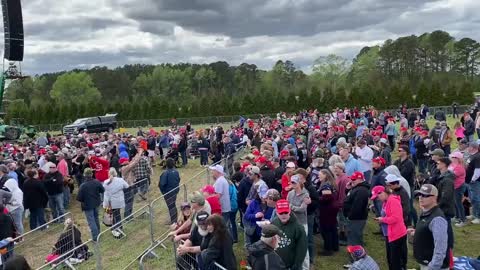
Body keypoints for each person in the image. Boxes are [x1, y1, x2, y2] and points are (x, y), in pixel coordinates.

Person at [411, 184, 450, 270]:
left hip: (432, 266)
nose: (421, 197)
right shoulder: (426, 211)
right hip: (425, 262)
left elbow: (440, 248)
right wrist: (416, 232)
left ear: (435, 198)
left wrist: (433, 267)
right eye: (420, 194)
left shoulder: (437, 219)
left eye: (425, 195)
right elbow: (428, 230)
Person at [371, 186, 408, 270]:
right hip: (390, 234)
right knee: (391, 259)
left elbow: (396, 218)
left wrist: (383, 220)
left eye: (378, 196)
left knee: (396, 261)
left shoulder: (393, 201)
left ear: (383, 192)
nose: (378, 199)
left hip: (397, 234)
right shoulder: (386, 201)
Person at [271, 199, 307, 270]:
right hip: (276, 263)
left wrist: (296, 266)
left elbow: (302, 249)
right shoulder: (274, 223)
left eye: (286, 212)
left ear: (289, 211)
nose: (283, 215)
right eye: (281, 213)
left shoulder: (298, 228)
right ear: (277, 212)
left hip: (290, 265)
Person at [76, 168, 105, 241]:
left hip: (87, 206)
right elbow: (102, 190)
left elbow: (79, 198)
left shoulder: (83, 185)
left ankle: (95, 237)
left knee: (91, 221)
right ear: (91, 174)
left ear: (84, 175)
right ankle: (98, 234)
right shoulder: (96, 182)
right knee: (96, 219)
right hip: (96, 203)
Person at [343, 171, 370, 246]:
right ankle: (356, 255)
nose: (352, 181)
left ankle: (356, 256)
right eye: (352, 179)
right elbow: (350, 197)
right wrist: (348, 189)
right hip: (355, 218)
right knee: (353, 238)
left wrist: (349, 217)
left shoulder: (361, 191)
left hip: (356, 219)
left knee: (354, 240)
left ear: (360, 180)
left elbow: (357, 207)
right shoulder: (357, 188)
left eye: (354, 179)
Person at [317, 169, 339, 255]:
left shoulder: (326, 185)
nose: (318, 176)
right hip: (331, 209)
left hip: (327, 210)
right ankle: (334, 246)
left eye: (320, 174)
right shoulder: (330, 183)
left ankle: (328, 249)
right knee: (332, 228)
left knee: (326, 229)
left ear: (325, 175)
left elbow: (327, 197)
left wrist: (316, 198)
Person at [435, 157, 455, 249]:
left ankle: (449, 245)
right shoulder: (443, 176)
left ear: (444, 164)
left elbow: (446, 196)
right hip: (443, 206)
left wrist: (437, 206)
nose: (437, 164)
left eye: (439, 163)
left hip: (445, 207)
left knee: (446, 226)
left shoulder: (447, 179)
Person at [103, 168, 129, 238]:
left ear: (109, 174)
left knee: (112, 216)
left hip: (110, 202)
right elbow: (127, 186)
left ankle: (115, 228)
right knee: (117, 215)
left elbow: (104, 190)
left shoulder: (106, 182)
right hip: (118, 201)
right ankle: (119, 227)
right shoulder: (120, 180)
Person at [159, 158, 181, 225]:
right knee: (172, 205)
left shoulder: (165, 173)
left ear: (166, 165)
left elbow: (162, 184)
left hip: (168, 192)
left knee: (171, 206)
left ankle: (174, 222)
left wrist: (163, 192)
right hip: (175, 191)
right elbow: (178, 179)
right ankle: (174, 220)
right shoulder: (176, 171)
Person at [448, 151, 467, 227]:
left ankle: (463, 220)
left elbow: (452, 175)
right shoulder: (452, 164)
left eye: (454, 157)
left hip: (458, 186)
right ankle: (457, 216)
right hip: (454, 186)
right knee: (455, 202)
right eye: (452, 157)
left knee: (458, 203)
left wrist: (447, 172)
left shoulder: (460, 167)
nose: (453, 158)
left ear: (458, 159)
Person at [465, 141, 480, 224]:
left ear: (473, 147)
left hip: (475, 182)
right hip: (470, 181)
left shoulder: (477, 157)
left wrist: (473, 180)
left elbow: (478, 171)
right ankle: (474, 214)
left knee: (476, 199)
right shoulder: (472, 156)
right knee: (472, 199)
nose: (467, 148)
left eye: (469, 146)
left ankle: (478, 216)